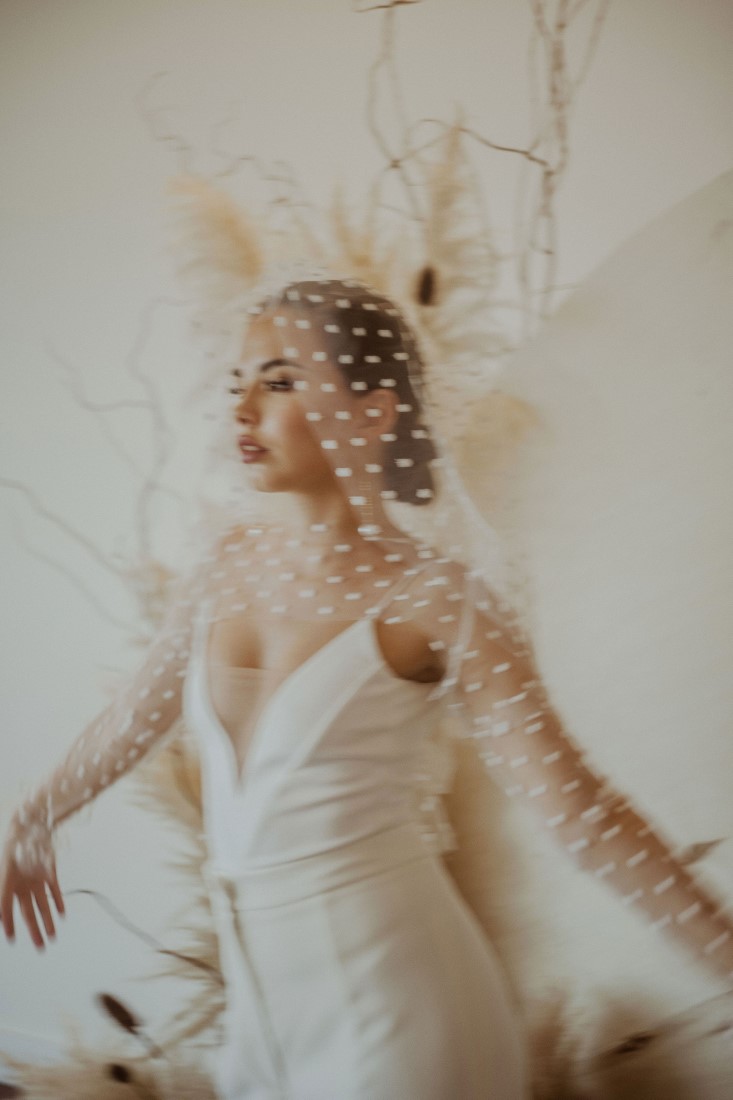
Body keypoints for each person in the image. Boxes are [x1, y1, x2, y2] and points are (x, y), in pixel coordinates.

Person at [2, 275, 732, 1099]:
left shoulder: (437, 600)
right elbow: (130, 721)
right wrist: (35, 815)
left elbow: (582, 816)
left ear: (375, 412)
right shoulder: (225, 567)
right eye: (237, 384)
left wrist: (722, 948)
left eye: (279, 381)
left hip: (400, 1014)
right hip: (260, 1028)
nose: (242, 409)